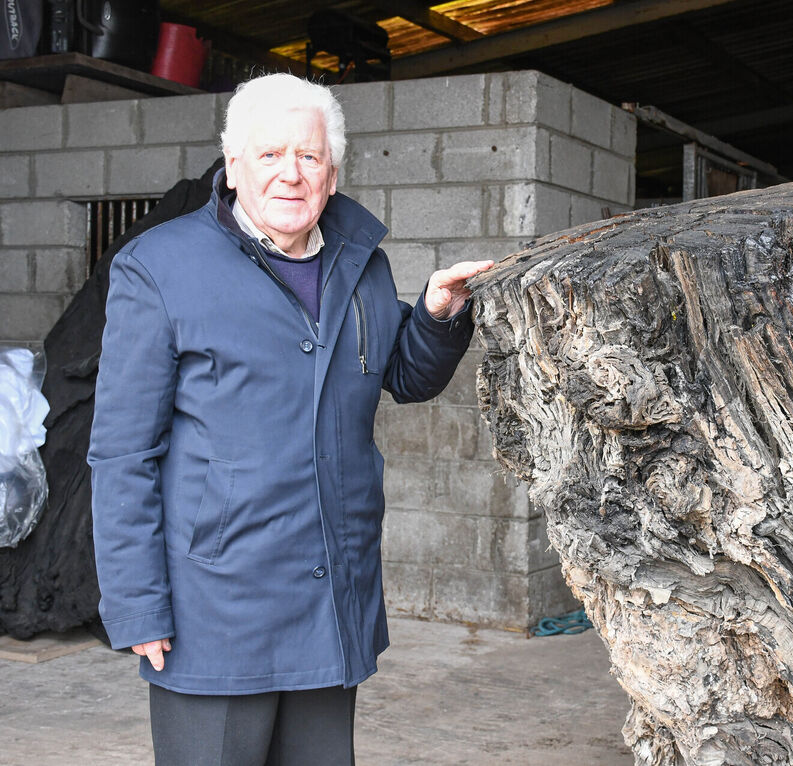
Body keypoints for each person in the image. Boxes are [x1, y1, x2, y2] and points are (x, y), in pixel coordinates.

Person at [88, 72, 493, 764]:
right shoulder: (158, 267)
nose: (290, 174)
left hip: (330, 599)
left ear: (332, 175)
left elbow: (403, 376)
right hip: (214, 609)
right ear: (234, 164)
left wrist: (434, 313)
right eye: (269, 154)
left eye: (308, 157)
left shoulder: (359, 263)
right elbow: (123, 452)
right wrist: (136, 604)